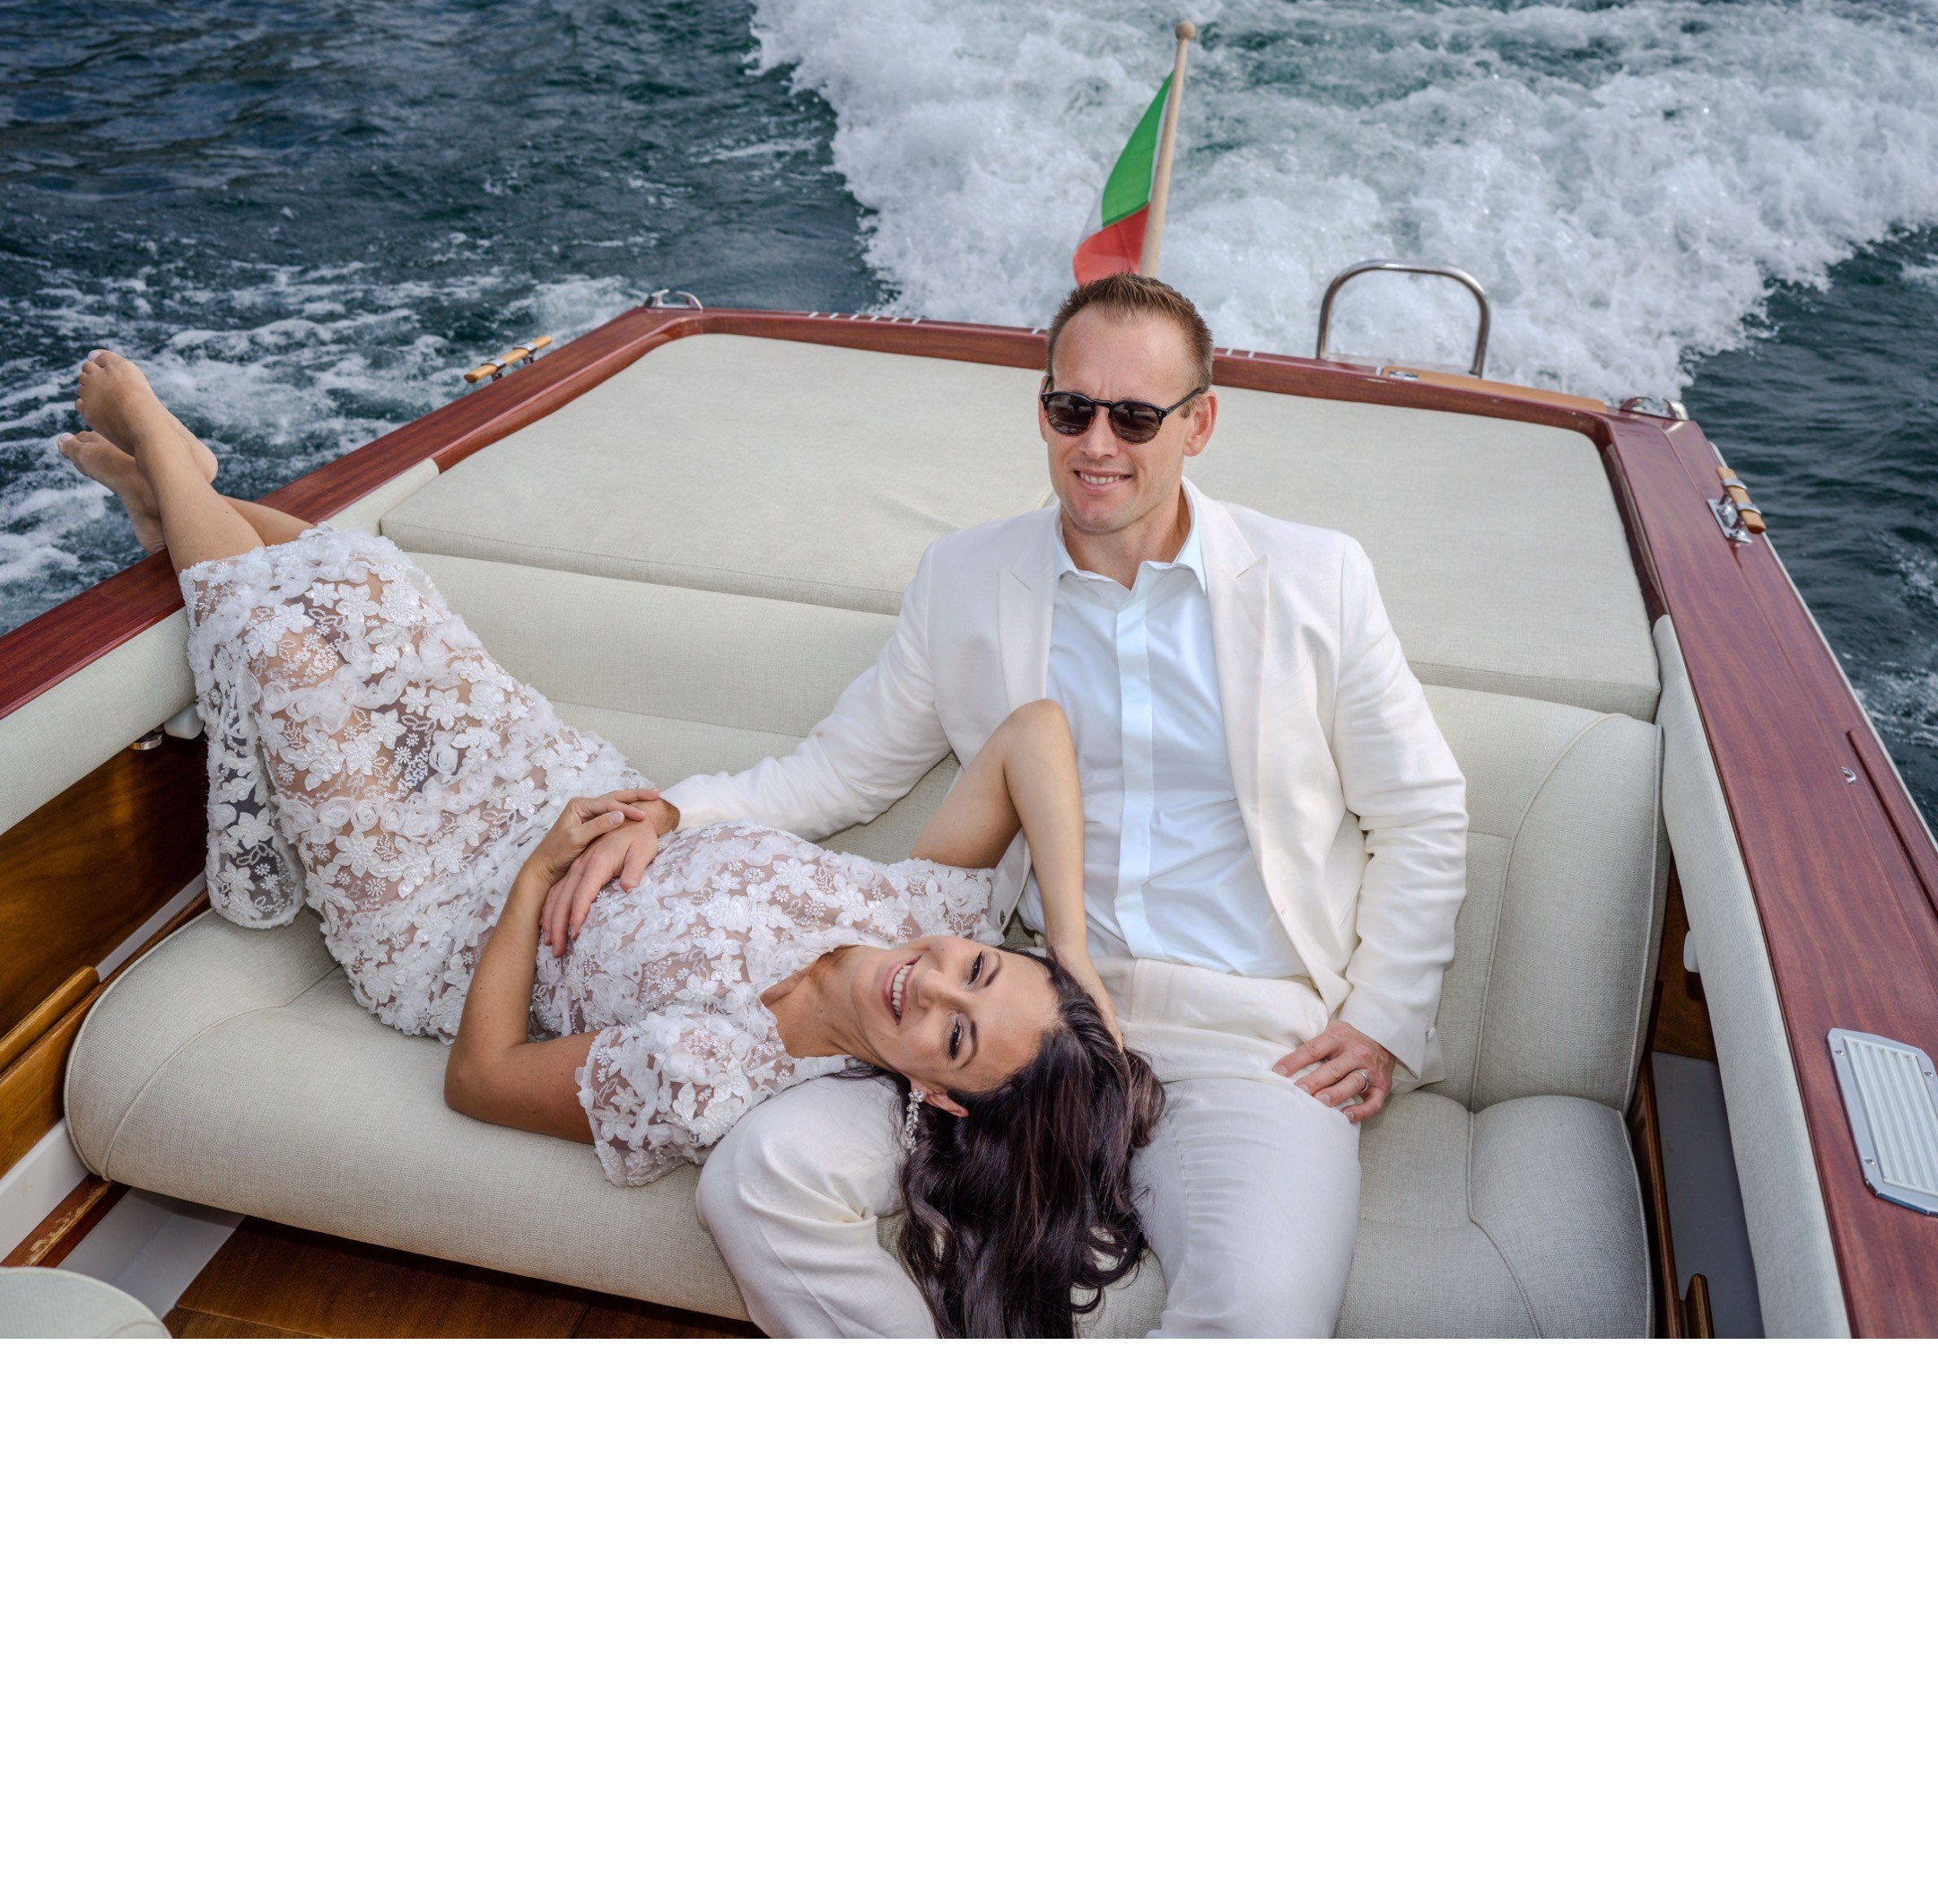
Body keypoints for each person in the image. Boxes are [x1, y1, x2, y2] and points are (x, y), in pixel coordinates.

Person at [61, 349, 1162, 1338]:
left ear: (941, 1100)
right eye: (977, 974)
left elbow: (482, 1080)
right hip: (557, 785)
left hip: (442, 919)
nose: (930, 990)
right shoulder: (934, 913)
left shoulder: (713, 1073)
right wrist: (1065, 943)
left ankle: (164, 453)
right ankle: (177, 504)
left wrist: (535, 876)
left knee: (288, 659)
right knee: (380, 587)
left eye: (954, 1039)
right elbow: (1036, 732)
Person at [547, 273, 1469, 1338]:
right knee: (756, 1180)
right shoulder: (964, 580)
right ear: (1042, 409)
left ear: (1199, 423)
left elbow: (1423, 811)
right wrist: (668, 813)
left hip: (1251, 1040)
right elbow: (836, 775)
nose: (1098, 444)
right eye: (1069, 409)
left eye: (1135, 416)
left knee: (1264, 1312)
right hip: (1009, 1028)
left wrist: (1383, 1018)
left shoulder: (1319, 577)